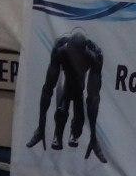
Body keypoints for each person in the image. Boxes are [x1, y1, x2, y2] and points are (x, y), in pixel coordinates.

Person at [24, 29, 107, 163]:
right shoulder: (61, 51)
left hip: (79, 85)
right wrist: (41, 126)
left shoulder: (93, 56)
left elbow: (94, 97)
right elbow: (48, 88)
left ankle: (74, 134)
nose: (75, 58)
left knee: (80, 116)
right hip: (66, 82)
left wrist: (93, 137)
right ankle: (58, 134)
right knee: (61, 111)